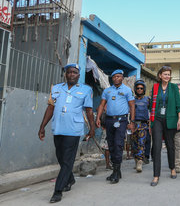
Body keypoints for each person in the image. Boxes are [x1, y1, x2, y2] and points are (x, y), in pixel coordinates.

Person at [38, 63, 95, 203]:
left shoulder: (86, 90)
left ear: (78, 75)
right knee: (61, 157)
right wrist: (42, 126)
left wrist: (92, 128)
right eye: (69, 72)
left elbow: (88, 111)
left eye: (74, 72)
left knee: (68, 159)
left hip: (73, 129)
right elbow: (50, 108)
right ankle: (70, 179)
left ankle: (58, 191)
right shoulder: (56, 88)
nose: (71, 74)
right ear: (65, 74)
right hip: (58, 127)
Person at [96, 69, 135, 184]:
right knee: (111, 145)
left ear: (122, 78)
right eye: (114, 76)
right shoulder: (107, 91)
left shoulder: (127, 90)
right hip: (109, 120)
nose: (116, 78)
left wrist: (132, 121)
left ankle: (115, 172)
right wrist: (97, 118)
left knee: (118, 144)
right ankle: (117, 171)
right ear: (112, 78)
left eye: (119, 76)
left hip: (121, 120)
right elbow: (102, 104)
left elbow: (132, 106)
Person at [149, 66, 180, 186]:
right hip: (157, 119)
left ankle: (172, 168)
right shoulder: (155, 87)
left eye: (169, 74)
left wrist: (179, 120)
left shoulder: (174, 87)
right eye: (165, 74)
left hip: (170, 119)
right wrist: (150, 123)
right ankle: (156, 175)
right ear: (160, 75)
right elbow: (151, 106)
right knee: (157, 146)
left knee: (170, 145)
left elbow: (179, 105)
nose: (167, 76)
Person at [132, 80, 150, 172]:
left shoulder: (147, 100)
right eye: (138, 88)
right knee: (134, 145)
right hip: (133, 124)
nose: (139, 90)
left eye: (141, 88)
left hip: (143, 125)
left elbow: (151, 112)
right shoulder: (132, 100)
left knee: (141, 143)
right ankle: (136, 159)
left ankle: (140, 161)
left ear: (144, 89)